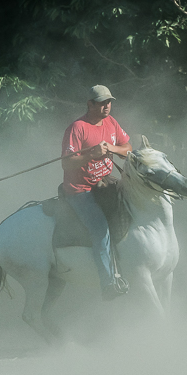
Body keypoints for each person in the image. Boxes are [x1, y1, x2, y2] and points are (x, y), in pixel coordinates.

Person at [61, 85, 133, 300]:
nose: (106, 106)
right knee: (100, 230)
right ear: (90, 104)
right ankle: (109, 284)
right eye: (101, 103)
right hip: (79, 190)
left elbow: (128, 148)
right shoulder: (77, 128)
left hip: (105, 182)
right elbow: (66, 163)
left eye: (109, 102)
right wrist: (91, 155)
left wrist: (112, 148)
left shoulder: (111, 122)